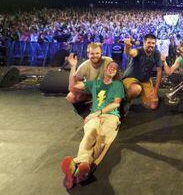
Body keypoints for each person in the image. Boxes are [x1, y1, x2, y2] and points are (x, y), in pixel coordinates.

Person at [61, 54, 124, 190]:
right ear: (105, 70)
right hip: (94, 116)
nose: (112, 68)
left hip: (111, 116)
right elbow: (73, 86)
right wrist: (73, 67)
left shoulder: (118, 85)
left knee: (102, 141)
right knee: (90, 133)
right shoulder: (95, 83)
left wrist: (99, 112)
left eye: (115, 68)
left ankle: (78, 164)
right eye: (110, 67)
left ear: (116, 72)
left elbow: (116, 104)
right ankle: (83, 168)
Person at [66, 42, 113, 117]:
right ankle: (88, 106)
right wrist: (73, 66)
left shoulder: (108, 61)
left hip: (104, 89)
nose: (95, 56)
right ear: (88, 55)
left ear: (101, 53)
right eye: (92, 53)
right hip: (91, 89)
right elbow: (72, 86)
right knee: (71, 96)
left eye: (97, 53)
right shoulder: (84, 66)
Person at [122, 34, 162, 110]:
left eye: (153, 43)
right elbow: (130, 52)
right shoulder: (139, 51)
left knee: (153, 106)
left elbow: (159, 72)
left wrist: (155, 90)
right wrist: (127, 46)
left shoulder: (157, 54)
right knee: (136, 89)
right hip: (131, 78)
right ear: (144, 42)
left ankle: (141, 95)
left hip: (145, 80)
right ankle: (124, 102)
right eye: (149, 43)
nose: (151, 45)